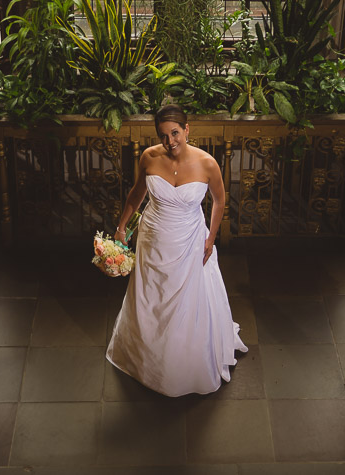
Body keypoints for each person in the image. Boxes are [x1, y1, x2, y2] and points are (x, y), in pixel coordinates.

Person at [105, 104, 247, 396]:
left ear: (187, 130)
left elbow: (219, 201)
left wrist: (211, 239)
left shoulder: (207, 163)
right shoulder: (149, 158)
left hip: (190, 240)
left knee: (185, 304)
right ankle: (147, 358)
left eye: (175, 133)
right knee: (150, 300)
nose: (170, 141)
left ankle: (182, 362)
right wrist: (122, 228)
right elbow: (136, 195)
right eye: (163, 135)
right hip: (152, 239)